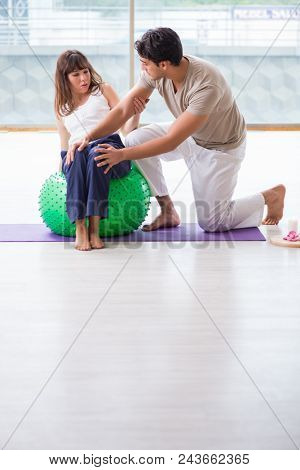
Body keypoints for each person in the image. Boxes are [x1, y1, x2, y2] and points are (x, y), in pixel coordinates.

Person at [69, 28, 286, 232]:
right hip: (190, 135)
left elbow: (172, 141)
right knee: (135, 139)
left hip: (219, 148)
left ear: (163, 64)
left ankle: (270, 196)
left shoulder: (206, 84)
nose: (142, 68)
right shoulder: (157, 71)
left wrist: (122, 155)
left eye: (145, 64)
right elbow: (123, 109)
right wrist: (88, 137)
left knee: (213, 222)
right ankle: (168, 211)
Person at [54, 50, 146, 250]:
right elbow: (64, 144)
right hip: (78, 152)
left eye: (85, 72)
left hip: (110, 147)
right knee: (76, 153)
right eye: (75, 75)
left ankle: (94, 229)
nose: (83, 78)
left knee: (98, 153)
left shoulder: (103, 91)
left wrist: (136, 114)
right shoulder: (61, 106)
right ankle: (80, 228)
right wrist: (64, 168)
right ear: (64, 78)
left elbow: (126, 129)